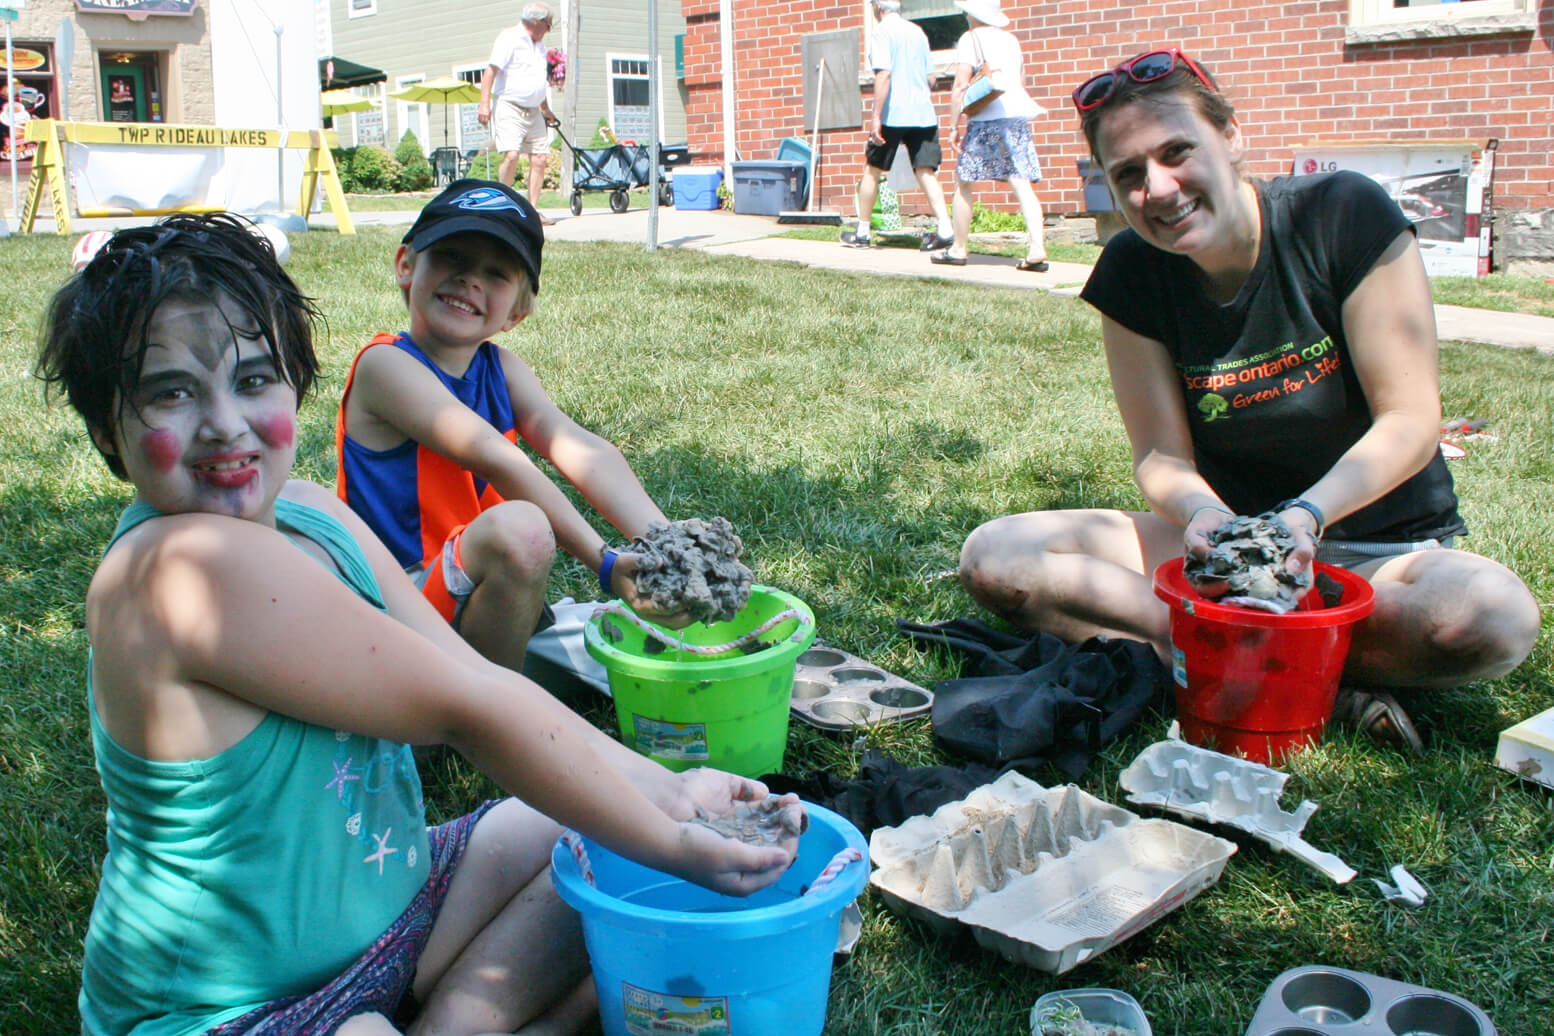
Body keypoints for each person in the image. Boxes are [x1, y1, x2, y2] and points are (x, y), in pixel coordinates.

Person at [37, 213, 804, 1035]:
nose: (227, 423)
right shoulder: (177, 572)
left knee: (576, 826)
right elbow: (463, 712)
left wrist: (670, 794)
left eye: (254, 379)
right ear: (105, 431)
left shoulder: (308, 512)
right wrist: (673, 845)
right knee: (602, 860)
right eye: (172, 392)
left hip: (393, 920)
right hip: (233, 1009)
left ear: (295, 383)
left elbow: (482, 679)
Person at [957, 49, 1540, 751]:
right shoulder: (1130, 273)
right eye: (1130, 175)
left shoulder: (1342, 215)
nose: (1160, 188)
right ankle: (1310, 673)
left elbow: (1411, 422)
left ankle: (1228, 659)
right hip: (1223, 556)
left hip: (1373, 556)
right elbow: (1160, 455)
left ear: (1230, 136)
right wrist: (1206, 517)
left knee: (1489, 618)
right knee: (999, 558)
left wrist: (1306, 517)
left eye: (1177, 152)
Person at [337, 178, 683, 674]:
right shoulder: (384, 367)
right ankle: (481, 722)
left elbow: (580, 448)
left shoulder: (501, 369)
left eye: (495, 273)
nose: (469, 280)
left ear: (518, 310)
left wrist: (666, 544)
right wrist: (604, 563)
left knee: (630, 654)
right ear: (406, 265)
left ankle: (492, 684)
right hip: (396, 608)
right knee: (521, 529)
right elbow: (493, 456)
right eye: (452, 257)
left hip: (466, 589)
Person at [929, 0, 1049, 271]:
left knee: (964, 180)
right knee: (1021, 182)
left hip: (985, 119)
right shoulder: (1011, 39)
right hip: (1016, 118)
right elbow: (1020, 80)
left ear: (972, 13)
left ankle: (958, 248)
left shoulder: (970, 38)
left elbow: (960, 85)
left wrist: (953, 126)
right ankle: (1037, 248)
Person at [840, 0, 955, 252]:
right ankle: (946, 229)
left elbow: (884, 75)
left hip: (893, 114)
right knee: (926, 170)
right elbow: (931, 78)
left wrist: (875, 118)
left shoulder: (881, 32)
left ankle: (862, 233)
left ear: (878, 7)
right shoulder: (918, 32)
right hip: (923, 114)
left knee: (873, 170)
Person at [478, 2, 560, 224]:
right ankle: (501, 207)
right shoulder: (509, 38)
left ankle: (532, 212)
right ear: (536, 21)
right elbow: (490, 72)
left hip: (534, 110)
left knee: (540, 158)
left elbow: (536, 83)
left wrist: (546, 110)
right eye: (549, 25)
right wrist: (484, 104)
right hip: (509, 106)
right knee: (512, 154)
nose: (549, 30)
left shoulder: (540, 47)